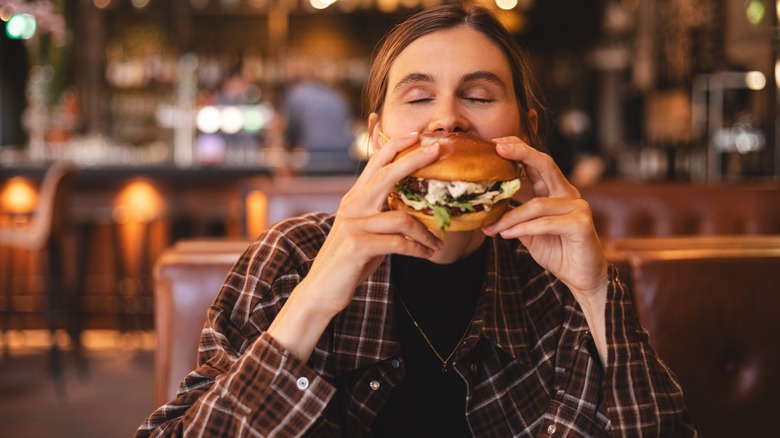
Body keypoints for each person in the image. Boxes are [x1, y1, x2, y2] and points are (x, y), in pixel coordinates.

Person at [137, 5, 698, 437]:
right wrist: (314, 298)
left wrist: (597, 292)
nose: (448, 118)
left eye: (477, 95)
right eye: (419, 96)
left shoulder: (556, 278)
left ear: (523, 130)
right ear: (379, 134)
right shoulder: (292, 255)